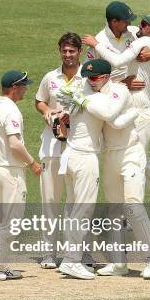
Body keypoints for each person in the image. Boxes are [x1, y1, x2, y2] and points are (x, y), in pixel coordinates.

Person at [82, 14, 150, 227]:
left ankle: (147, 210)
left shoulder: (143, 40)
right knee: (134, 159)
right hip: (129, 105)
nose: (138, 25)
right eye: (140, 22)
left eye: (144, 24)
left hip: (140, 111)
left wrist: (96, 44)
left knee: (135, 161)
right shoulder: (134, 33)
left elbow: (120, 60)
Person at [56, 60, 127, 279]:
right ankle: (71, 260)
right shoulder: (86, 94)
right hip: (83, 157)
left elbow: (106, 109)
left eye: (95, 77)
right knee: (81, 211)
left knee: (73, 209)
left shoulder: (85, 95)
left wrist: (82, 98)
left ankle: (71, 257)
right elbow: (108, 114)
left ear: (107, 76)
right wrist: (83, 98)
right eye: (89, 78)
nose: (91, 81)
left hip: (73, 156)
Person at [0, 71, 42, 281]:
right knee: (12, 221)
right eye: (23, 86)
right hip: (11, 171)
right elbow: (14, 144)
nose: (25, 89)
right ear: (14, 87)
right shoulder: (11, 111)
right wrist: (32, 164)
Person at [34, 33, 83, 269]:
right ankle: (49, 253)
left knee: (76, 202)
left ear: (79, 52)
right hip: (51, 146)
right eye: (64, 51)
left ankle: (75, 252)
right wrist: (47, 112)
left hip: (78, 146)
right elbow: (39, 101)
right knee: (50, 201)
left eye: (72, 51)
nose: (67, 55)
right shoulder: (50, 77)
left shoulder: (87, 77)